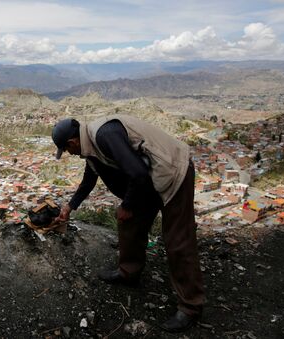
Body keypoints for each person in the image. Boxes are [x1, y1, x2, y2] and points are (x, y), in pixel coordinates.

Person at [51, 114, 204, 332]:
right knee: (129, 224)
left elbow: (138, 173)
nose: (69, 154)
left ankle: (190, 307)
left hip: (172, 170)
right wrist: (69, 207)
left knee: (178, 241)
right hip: (151, 179)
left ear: (72, 142)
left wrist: (128, 205)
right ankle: (128, 272)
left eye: (66, 150)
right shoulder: (91, 148)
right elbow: (89, 180)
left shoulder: (104, 135)